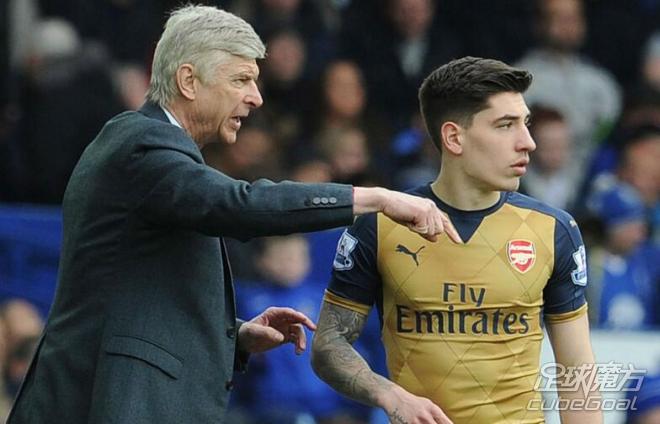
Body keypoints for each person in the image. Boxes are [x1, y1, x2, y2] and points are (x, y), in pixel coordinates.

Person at [6, 6, 458, 424]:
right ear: (188, 81)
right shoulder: (141, 145)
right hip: (107, 404)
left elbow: (141, 293)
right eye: (241, 79)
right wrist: (376, 198)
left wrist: (234, 335)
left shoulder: (157, 156)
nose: (256, 97)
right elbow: (240, 205)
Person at [312, 57, 602, 424]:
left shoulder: (554, 229)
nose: (528, 142)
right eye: (505, 125)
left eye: (525, 124)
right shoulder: (381, 225)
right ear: (454, 137)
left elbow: (577, 370)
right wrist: (389, 394)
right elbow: (328, 345)